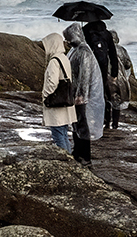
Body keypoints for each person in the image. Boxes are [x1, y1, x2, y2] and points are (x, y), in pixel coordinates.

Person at [63, 23, 105, 164]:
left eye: (69, 37)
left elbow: (85, 76)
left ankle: (85, 156)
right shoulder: (75, 50)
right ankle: (78, 151)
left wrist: (81, 95)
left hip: (83, 97)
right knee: (77, 123)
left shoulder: (84, 52)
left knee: (83, 125)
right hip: (76, 94)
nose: (68, 40)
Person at [82, 18, 123, 130]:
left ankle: (91, 119)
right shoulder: (106, 34)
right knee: (104, 94)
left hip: (90, 68)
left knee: (90, 95)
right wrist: (114, 73)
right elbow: (113, 55)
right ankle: (106, 120)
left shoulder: (85, 31)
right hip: (103, 69)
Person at [41, 31, 77, 153]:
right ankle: (70, 159)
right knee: (63, 133)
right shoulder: (64, 58)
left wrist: (45, 96)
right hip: (65, 101)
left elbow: (52, 83)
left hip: (56, 102)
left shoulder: (54, 61)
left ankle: (67, 162)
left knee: (58, 135)